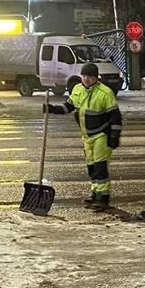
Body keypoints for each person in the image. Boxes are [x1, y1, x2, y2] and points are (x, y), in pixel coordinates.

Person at [44, 62, 122, 211]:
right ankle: (95, 194)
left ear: (96, 78)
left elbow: (115, 117)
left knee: (100, 167)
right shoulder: (77, 90)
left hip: (101, 135)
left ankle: (103, 198)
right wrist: (51, 109)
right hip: (87, 136)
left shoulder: (105, 93)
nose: (87, 79)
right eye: (84, 76)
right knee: (92, 167)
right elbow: (68, 107)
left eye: (90, 77)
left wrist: (114, 136)